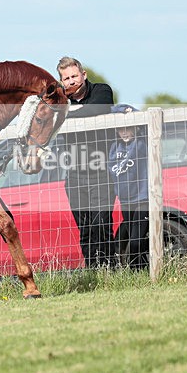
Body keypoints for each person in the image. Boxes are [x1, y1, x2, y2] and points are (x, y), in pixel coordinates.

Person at [57, 56, 116, 268]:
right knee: (85, 229)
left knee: (101, 224)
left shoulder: (101, 91)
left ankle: (109, 269)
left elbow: (97, 109)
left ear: (83, 75)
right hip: (74, 175)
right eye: (66, 78)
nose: (71, 81)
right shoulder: (61, 101)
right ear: (62, 82)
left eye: (74, 76)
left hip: (100, 172)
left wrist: (68, 115)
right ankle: (92, 271)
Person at [108, 104, 149, 269]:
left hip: (142, 199)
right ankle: (138, 271)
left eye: (128, 127)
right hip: (125, 200)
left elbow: (147, 122)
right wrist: (118, 111)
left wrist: (130, 111)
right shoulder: (113, 146)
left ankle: (138, 271)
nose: (124, 132)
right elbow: (107, 112)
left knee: (136, 241)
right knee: (130, 241)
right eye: (120, 128)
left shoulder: (142, 142)